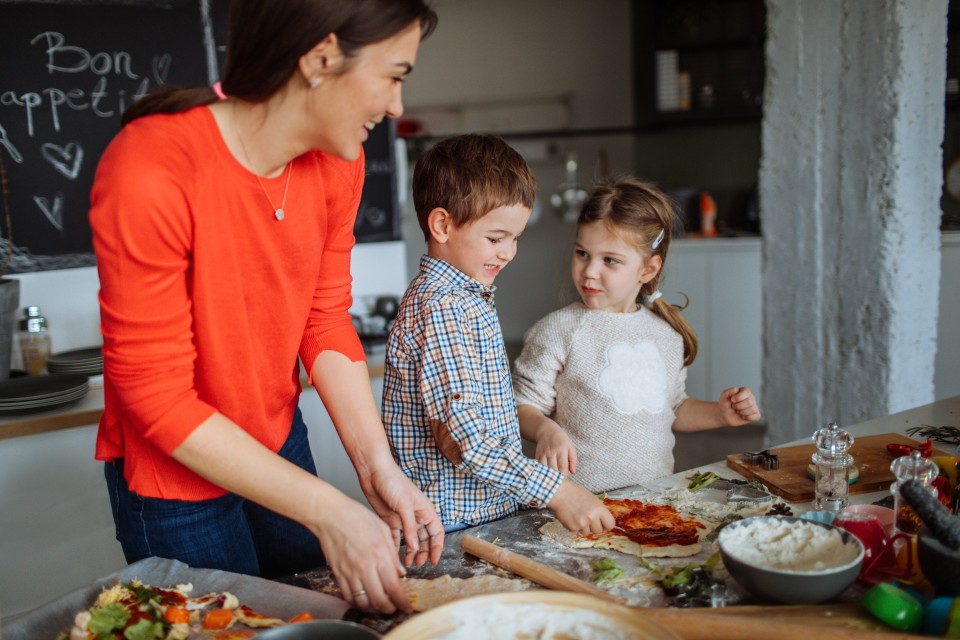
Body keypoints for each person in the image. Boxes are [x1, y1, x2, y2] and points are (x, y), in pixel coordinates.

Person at [89, 0, 443, 615]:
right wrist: (331, 511)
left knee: (319, 616)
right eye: (394, 75)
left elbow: (324, 317)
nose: (396, 108)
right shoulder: (150, 166)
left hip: (279, 441)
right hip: (175, 480)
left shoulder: (340, 160)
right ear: (321, 59)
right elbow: (155, 396)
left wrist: (377, 467)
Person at [381, 134, 615, 534]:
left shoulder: (464, 296)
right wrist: (558, 491)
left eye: (515, 239)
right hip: (454, 524)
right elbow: (466, 439)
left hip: (481, 511)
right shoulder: (444, 309)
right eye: (495, 239)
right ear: (442, 224)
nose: (508, 253)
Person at [513, 176, 761, 494]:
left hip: (653, 502)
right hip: (578, 506)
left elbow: (671, 408)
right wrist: (546, 430)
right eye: (582, 253)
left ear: (648, 270)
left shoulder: (666, 336)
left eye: (610, 260)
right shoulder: (559, 330)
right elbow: (522, 406)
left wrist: (720, 413)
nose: (589, 271)